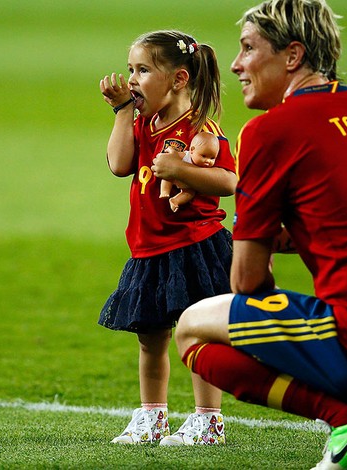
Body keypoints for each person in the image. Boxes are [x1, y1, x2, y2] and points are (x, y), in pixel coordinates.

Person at [173, 0, 347, 468]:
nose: (237, 64)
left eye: (248, 48)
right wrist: (301, 235)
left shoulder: (271, 130)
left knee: (192, 328)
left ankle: (345, 420)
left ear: (292, 55)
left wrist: (259, 240)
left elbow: (248, 284)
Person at [98, 30, 237, 446]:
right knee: (150, 336)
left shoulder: (200, 129)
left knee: (196, 333)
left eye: (142, 70)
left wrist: (181, 171)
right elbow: (119, 165)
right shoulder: (144, 122)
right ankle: (152, 417)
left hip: (194, 246)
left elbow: (228, 180)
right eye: (130, 70)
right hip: (149, 248)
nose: (133, 79)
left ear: (178, 79)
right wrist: (124, 111)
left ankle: (208, 420)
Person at [160, 131, 220, 212]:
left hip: (187, 183)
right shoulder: (186, 156)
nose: (208, 161)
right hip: (176, 175)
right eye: (203, 156)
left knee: (189, 193)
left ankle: (175, 201)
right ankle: (164, 191)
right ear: (192, 150)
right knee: (167, 177)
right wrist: (171, 151)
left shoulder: (206, 168)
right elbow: (174, 156)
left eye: (212, 158)